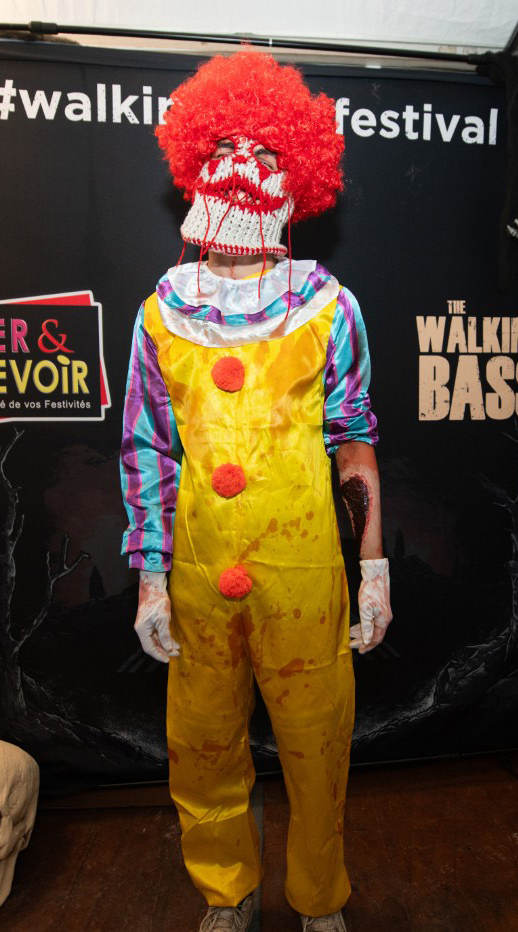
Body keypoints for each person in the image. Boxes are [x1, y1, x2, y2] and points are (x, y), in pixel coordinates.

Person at [119, 51, 391, 932]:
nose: (241, 167)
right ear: (194, 165)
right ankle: (226, 891)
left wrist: (374, 567)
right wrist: (151, 576)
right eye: (223, 149)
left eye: (266, 153)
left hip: (306, 577)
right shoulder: (160, 314)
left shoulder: (329, 307)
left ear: (297, 176)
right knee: (201, 746)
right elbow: (147, 450)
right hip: (200, 581)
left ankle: (319, 899)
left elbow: (354, 440)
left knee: (318, 745)